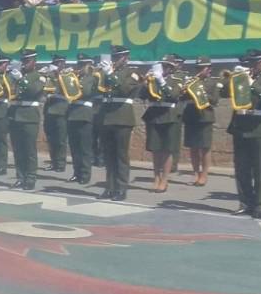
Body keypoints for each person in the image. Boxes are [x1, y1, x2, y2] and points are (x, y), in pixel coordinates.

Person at [228, 50, 261, 218]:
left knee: (259, 170)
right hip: (241, 126)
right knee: (241, 169)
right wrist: (233, 79)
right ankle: (245, 203)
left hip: (259, 128)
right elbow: (224, 93)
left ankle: (259, 206)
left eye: (253, 63)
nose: (250, 66)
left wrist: (251, 83)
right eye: (249, 63)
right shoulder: (242, 77)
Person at [96, 44, 142, 200]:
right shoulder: (107, 72)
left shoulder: (133, 73)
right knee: (108, 155)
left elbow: (124, 90)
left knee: (121, 155)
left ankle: (121, 188)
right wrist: (102, 73)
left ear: (125, 57)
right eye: (113, 57)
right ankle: (109, 187)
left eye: (117, 57)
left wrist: (110, 74)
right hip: (107, 116)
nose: (115, 60)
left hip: (122, 117)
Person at [142, 55, 185, 193]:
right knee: (155, 149)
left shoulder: (177, 80)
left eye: (166, 66)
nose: (163, 68)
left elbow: (173, 96)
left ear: (171, 68)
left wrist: (161, 81)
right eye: (162, 65)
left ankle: (165, 179)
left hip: (169, 115)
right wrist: (145, 82)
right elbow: (142, 95)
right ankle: (156, 177)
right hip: (154, 113)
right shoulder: (152, 80)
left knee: (167, 149)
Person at [7, 51, 45, 191]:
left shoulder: (39, 77)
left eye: (27, 61)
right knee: (18, 150)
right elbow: (6, 90)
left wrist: (21, 79)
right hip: (15, 114)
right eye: (23, 61)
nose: (24, 64)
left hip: (29, 116)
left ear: (34, 62)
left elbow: (33, 91)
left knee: (29, 150)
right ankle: (20, 177)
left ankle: (30, 178)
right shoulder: (16, 75)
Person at [182, 57, 221, 187]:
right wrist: (185, 87)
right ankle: (195, 173)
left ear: (209, 69)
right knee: (193, 147)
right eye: (198, 68)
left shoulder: (213, 83)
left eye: (202, 68)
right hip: (191, 114)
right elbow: (180, 96)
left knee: (204, 147)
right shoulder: (192, 81)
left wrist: (200, 91)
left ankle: (204, 174)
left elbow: (215, 100)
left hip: (205, 116)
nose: (199, 71)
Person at [66, 53, 98, 185]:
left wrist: (73, 81)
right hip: (73, 113)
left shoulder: (91, 78)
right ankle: (76, 172)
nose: (79, 67)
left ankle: (85, 173)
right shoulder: (75, 77)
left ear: (88, 65)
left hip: (85, 114)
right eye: (78, 64)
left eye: (82, 65)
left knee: (84, 147)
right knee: (74, 147)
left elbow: (86, 92)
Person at [42, 55, 70, 173]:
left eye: (59, 63)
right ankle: (53, 162)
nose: (58, 65)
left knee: (60, 139)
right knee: (51, 138)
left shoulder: (67, 74)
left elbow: (64, 88)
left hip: (60, 110)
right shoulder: (50, 74)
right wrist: (44, 75)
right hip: (49, 109)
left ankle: (60, 164)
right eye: (56, 63)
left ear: (63, 63)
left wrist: (56, 73)